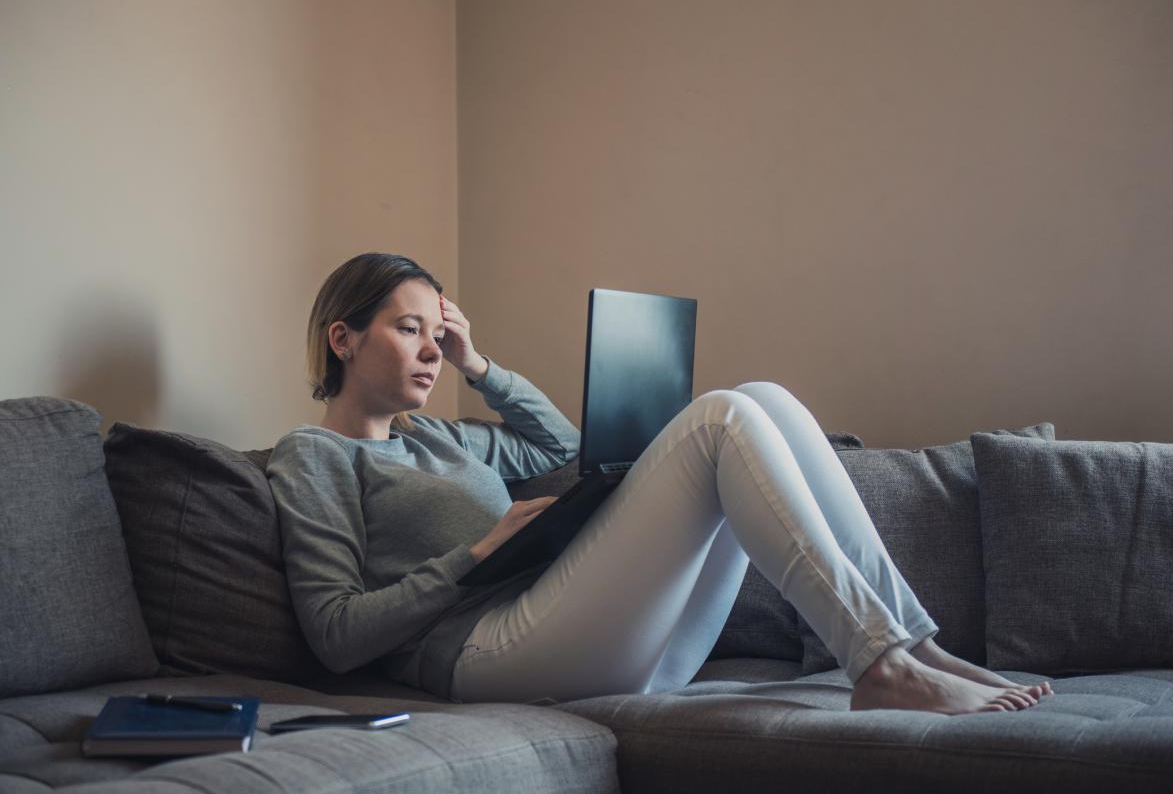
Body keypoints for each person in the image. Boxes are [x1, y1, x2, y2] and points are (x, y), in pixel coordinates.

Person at [266, 253, 1054, 713]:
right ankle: (878, 667)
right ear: (343, 338)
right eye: (410, 330)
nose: (432, 351)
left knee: (766, 398)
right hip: (483, 653)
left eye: (438, 336)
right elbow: (335, 634)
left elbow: (569, 446)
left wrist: (481, 365)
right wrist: (476, 553)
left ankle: (913, 643)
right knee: (718, 419)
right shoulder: (313, 456)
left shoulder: (439, 436)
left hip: (606, 648)